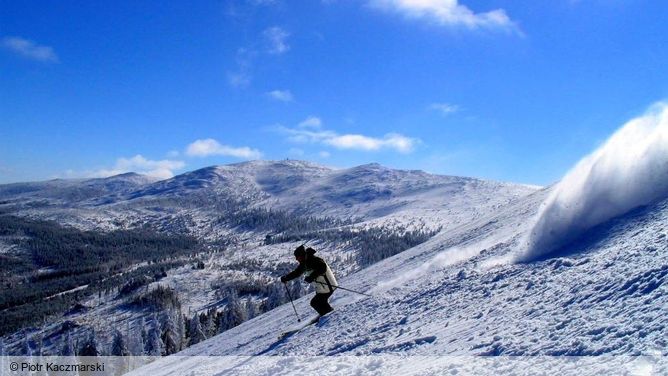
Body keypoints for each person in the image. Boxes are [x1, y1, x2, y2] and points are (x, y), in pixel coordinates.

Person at [280, 245, 337, 316]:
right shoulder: (305, 263)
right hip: (322, 287)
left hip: (328, 286)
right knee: (320, 302)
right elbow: (297, 273)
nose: (296, 259)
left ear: (302, 255)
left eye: (298, 257)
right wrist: (286, 278)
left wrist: (311, 277)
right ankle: (327, 314)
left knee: (315, 302)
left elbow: (323, 267)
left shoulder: (314, 260)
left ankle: (328, 315)